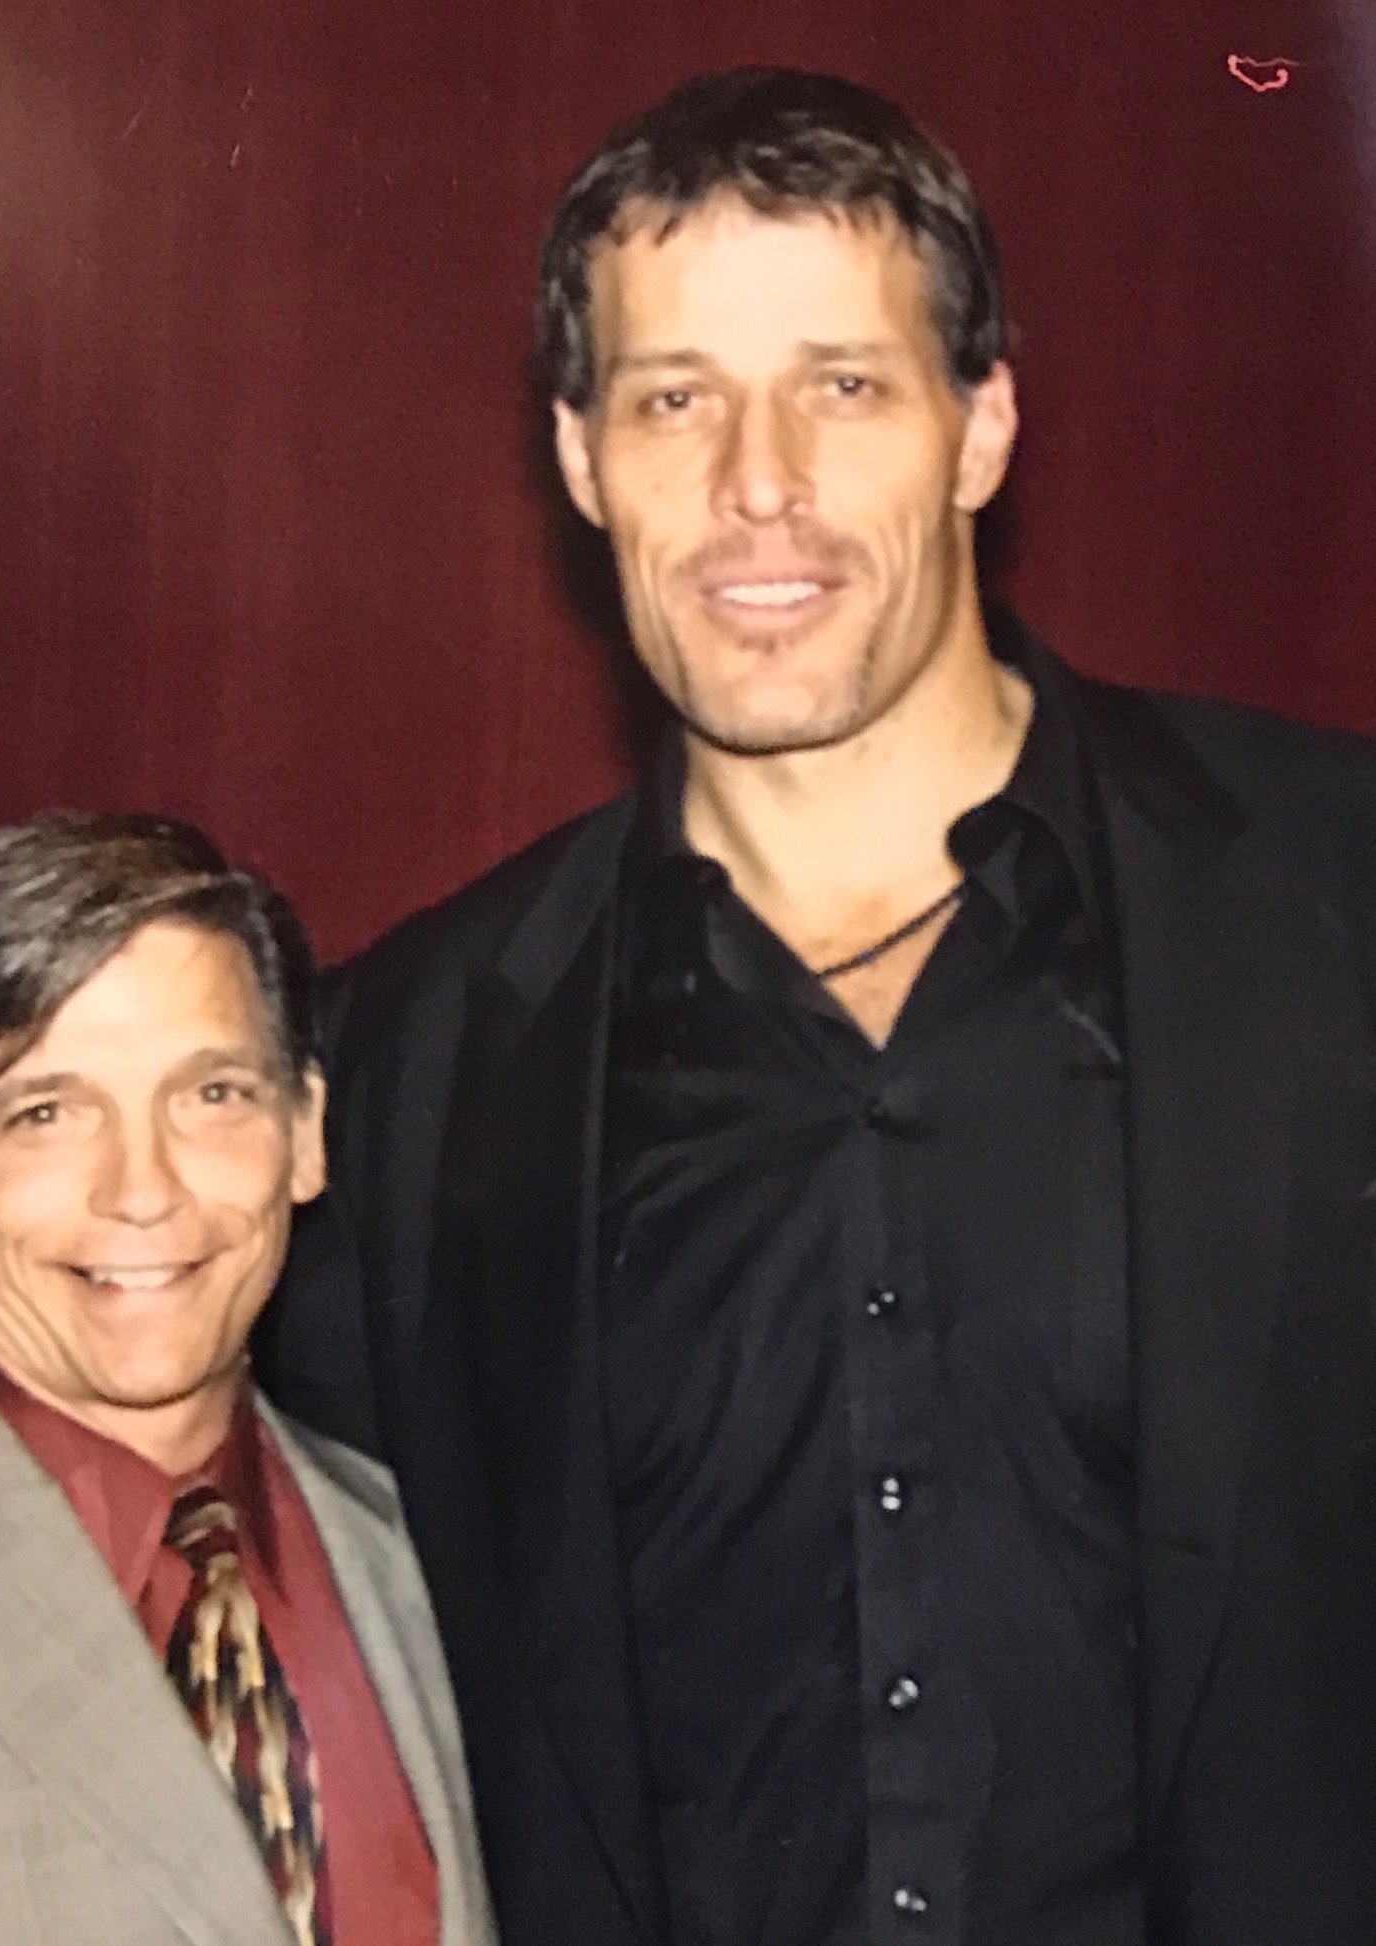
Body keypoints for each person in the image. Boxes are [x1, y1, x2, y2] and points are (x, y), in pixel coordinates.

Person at [265, 66, 1376, 1946]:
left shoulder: (1339, 904)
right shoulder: (407, 1071)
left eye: (842, 386)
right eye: (674, 398)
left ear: (980, 427)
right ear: (580, 459)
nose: (755, 482)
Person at [0, 813, 494, 1946]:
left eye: (212, 1094)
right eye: (46, 1113)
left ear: (306, 1131)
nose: (142, 1189)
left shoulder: (425, 1556)